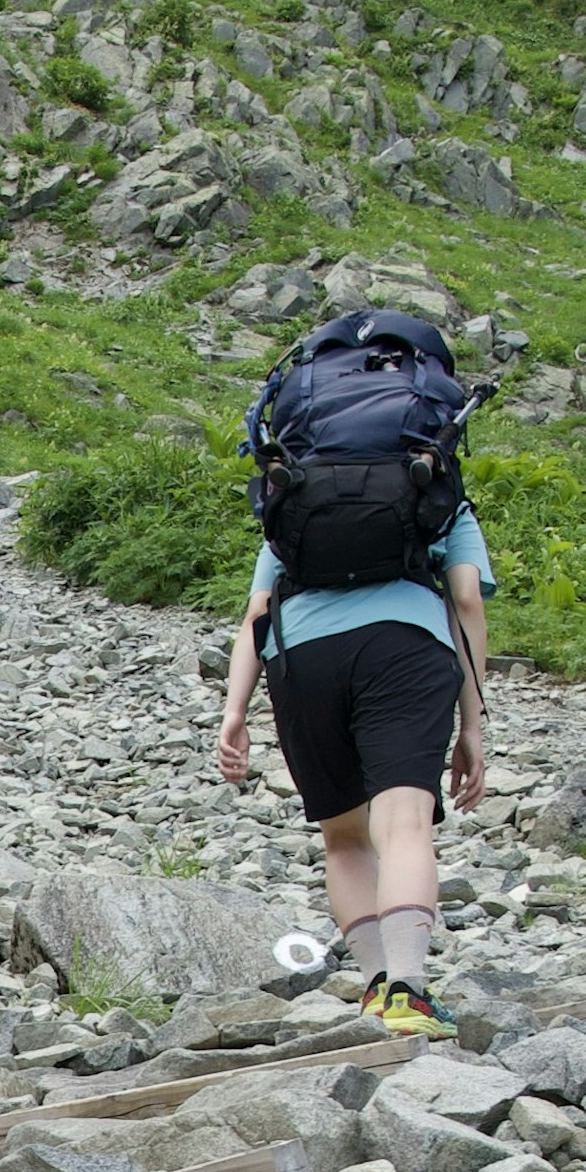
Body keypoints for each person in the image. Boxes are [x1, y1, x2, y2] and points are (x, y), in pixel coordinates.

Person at [214, 310, 491, 1034]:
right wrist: (473, 723)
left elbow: (256, 612)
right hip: (405, 645)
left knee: (343, 836)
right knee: (404, 826)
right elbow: (463, 600)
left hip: (300, 657)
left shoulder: (298, 486)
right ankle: (408, 989)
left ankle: (373, 985)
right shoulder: (433, 483)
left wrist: (234, 712)